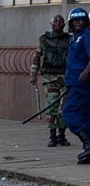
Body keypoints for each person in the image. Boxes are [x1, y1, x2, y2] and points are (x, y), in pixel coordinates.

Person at [62, 7, 90, 164]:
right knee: (84, 114)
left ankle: (88, 143)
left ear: (86, 22)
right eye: (75, 20)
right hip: (73, 82)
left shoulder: (87, 37)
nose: (78, 22)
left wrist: (86, 71)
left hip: (82, 82)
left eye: (81, 20)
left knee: (69, 112)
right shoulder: (73, 38)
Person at [29, 14, 71, 147]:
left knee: (64, 107)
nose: (58, 23)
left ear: (64, 25)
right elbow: (37, 56)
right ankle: (52, 135)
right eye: (55, 21)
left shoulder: (69, 39)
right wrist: (33, 74)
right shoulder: (44, 39)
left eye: (61, 21)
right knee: (52, 106)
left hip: (65, 78)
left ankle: (62, 135)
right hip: (49, 78)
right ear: (51, 24)